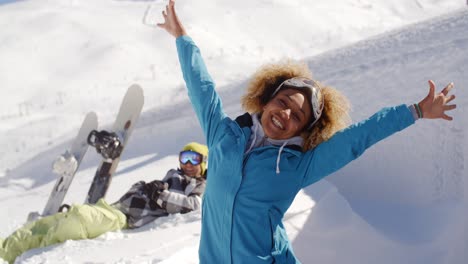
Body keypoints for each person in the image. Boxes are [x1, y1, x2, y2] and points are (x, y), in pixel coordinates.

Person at [156, 1, 457, 263]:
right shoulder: (223, 135)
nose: (285, 113)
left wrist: (415, 111)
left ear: (303, 129)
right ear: (267, 100)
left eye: (297, 115)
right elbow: (201, 87)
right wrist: (181, 37)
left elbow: (358, 138)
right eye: (283, 102)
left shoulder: (297, 166)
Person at [0, 142, 208, 264]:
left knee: (78, 218)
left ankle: (29, 254)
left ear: (204, 162)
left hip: (125, 218)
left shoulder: (201, 184)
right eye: (184, 157)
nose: (188, 164)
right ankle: (5, 249)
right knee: (48, 222)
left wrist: (158, 195)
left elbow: (194, 205)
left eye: (194, 159)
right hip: (115, 207)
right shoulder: (174, 175)